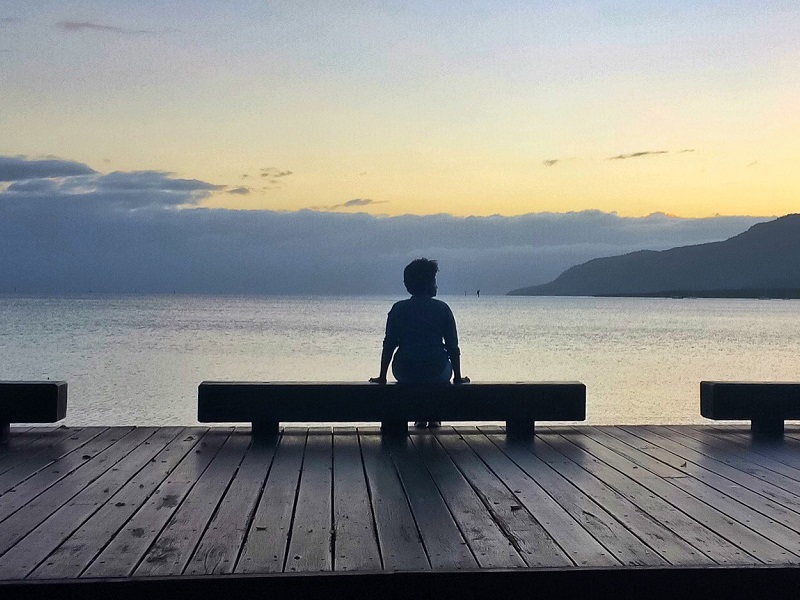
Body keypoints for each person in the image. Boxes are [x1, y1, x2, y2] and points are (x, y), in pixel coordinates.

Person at [369, 258, 469, 428]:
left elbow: (389, 344)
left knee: (418, 374)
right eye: (434, 281)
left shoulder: (398, 308)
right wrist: (458, 377)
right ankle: (433, 417)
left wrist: (382, 376)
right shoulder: (443, 309)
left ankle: (421, 417)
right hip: (437, 371)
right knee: (435, 374)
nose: (436, 286)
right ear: (428, 283)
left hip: (404, 371)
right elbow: (453, 346)